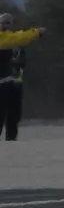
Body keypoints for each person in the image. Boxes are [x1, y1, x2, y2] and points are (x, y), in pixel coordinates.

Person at [0, 13, 45, 141]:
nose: (5, 25)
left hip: (15, 83)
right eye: (3, 22)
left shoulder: (16, 43)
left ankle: (11, 139)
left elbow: (21, 59)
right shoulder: (8, 38)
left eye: (8, 23)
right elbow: (19, 37)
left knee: (14, 114)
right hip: (1, 83)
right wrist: (36, 33)